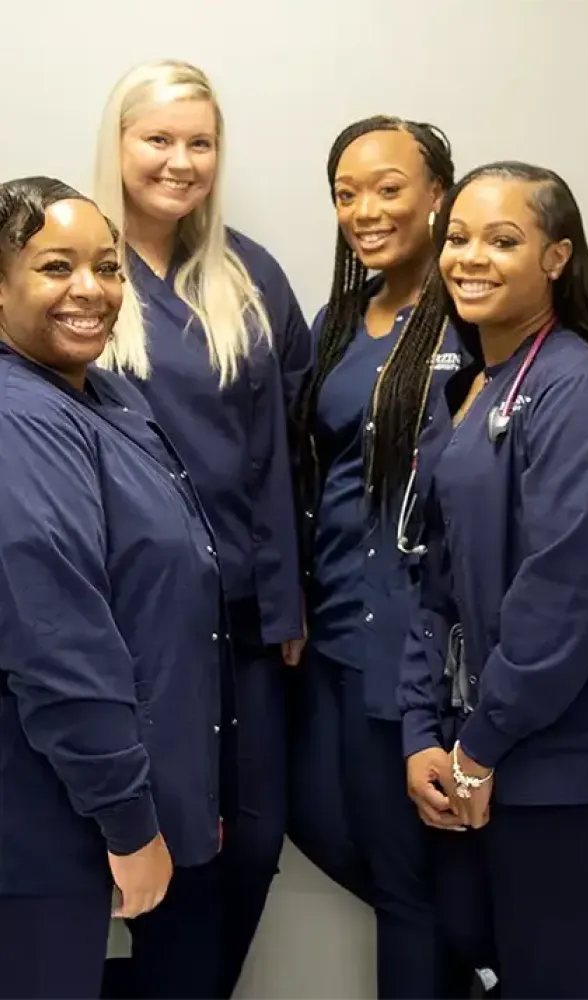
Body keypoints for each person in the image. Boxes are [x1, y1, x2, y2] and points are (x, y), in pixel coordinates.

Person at [399, 161, 588, 1000]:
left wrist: (481, 742)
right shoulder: (468, 389)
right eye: (457, 238)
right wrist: (423, 731)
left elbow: (570, 586)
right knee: (492, 952)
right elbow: (439, 582)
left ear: (557, 258)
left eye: (504, 240)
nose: (472, 258)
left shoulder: (579, 389)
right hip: (503, 748)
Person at [92, 59, 310, 999]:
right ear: (120, 144)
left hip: (252, 617)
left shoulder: (248, 273)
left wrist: (287, 598)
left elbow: (285, 447)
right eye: (159, 139)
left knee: (254, 838)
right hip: (140, 620)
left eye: (200, 143)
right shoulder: (83, 269)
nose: (181, 162)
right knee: (171, 845)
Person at [0, 176, 226, 1000]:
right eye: (56, 267)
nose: (91, 290)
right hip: (37, 829)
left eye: (106, 266)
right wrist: (132, 821)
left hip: (76, 818)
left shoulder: (102, 395)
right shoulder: (19, 418)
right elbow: (61, 647)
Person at [287, 115, 472, 1000]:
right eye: (346, 192)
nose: (365, 209)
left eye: (388, 188)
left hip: (405, 642)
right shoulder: (338, 320)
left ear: (440, 194)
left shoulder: (471, 314)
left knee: (404, 882)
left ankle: (475, 960)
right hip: (326, 632)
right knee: (312, 818)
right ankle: (478, 962)